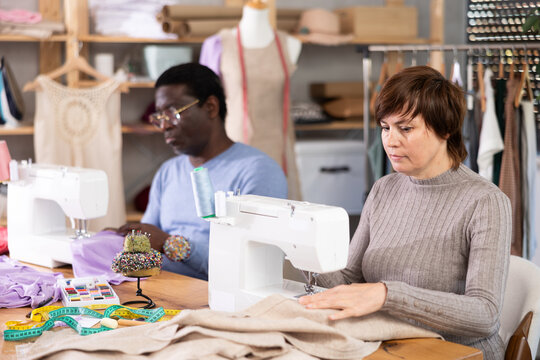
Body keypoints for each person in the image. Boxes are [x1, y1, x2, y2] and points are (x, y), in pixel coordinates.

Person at [298, 66, 511, 360]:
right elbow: (348, 276)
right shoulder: (384, 189)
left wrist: (388, 295)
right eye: (385, 128)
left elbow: (485, 314)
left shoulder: (485, 202)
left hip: (459, 353)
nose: (390, 141)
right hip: (390, 343)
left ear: (445, 128)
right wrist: (298, 255)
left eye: (406, 128)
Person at [115, 63, 287, 281]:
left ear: (211, 107)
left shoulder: (258, 171)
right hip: (164, 291)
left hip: (219, 299)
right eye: (159, 117)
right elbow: (148, 242)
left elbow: (252, 264)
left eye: (172, 113)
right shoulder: (169, 172)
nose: (165, 126)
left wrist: (171, 244)